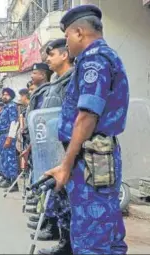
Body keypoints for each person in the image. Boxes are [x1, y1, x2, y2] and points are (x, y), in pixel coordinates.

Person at [44, 5, 129, 254]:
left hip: (90, 159)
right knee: (108, 231)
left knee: (91, 238)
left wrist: (66, 165)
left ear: (79, 32)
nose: (66, 45)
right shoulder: (102, 57)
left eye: (67, 36)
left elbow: (87, 117)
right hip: (97, 156)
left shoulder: (94, 60)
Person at [32, 38, 75, 255]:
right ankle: (64, 241)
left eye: (51, 54)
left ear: (64, 55)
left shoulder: (72, 80)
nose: (47, 59)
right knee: (60, 196)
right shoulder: (56, 82)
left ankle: (69, 244)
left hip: (68, 148)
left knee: (69, 198)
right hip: (54, 146)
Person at [0, 88, 19, 190]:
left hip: (7, 135)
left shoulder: (12, 106)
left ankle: (13, 183)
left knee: (10, 159)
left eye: (7, 95)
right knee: (4, 158)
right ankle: (7, 179)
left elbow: (14, 122)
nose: (4, 96)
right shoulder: (5, 107)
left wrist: (10, 138)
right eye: (3, 94)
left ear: (11, 96)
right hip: (1, 136)